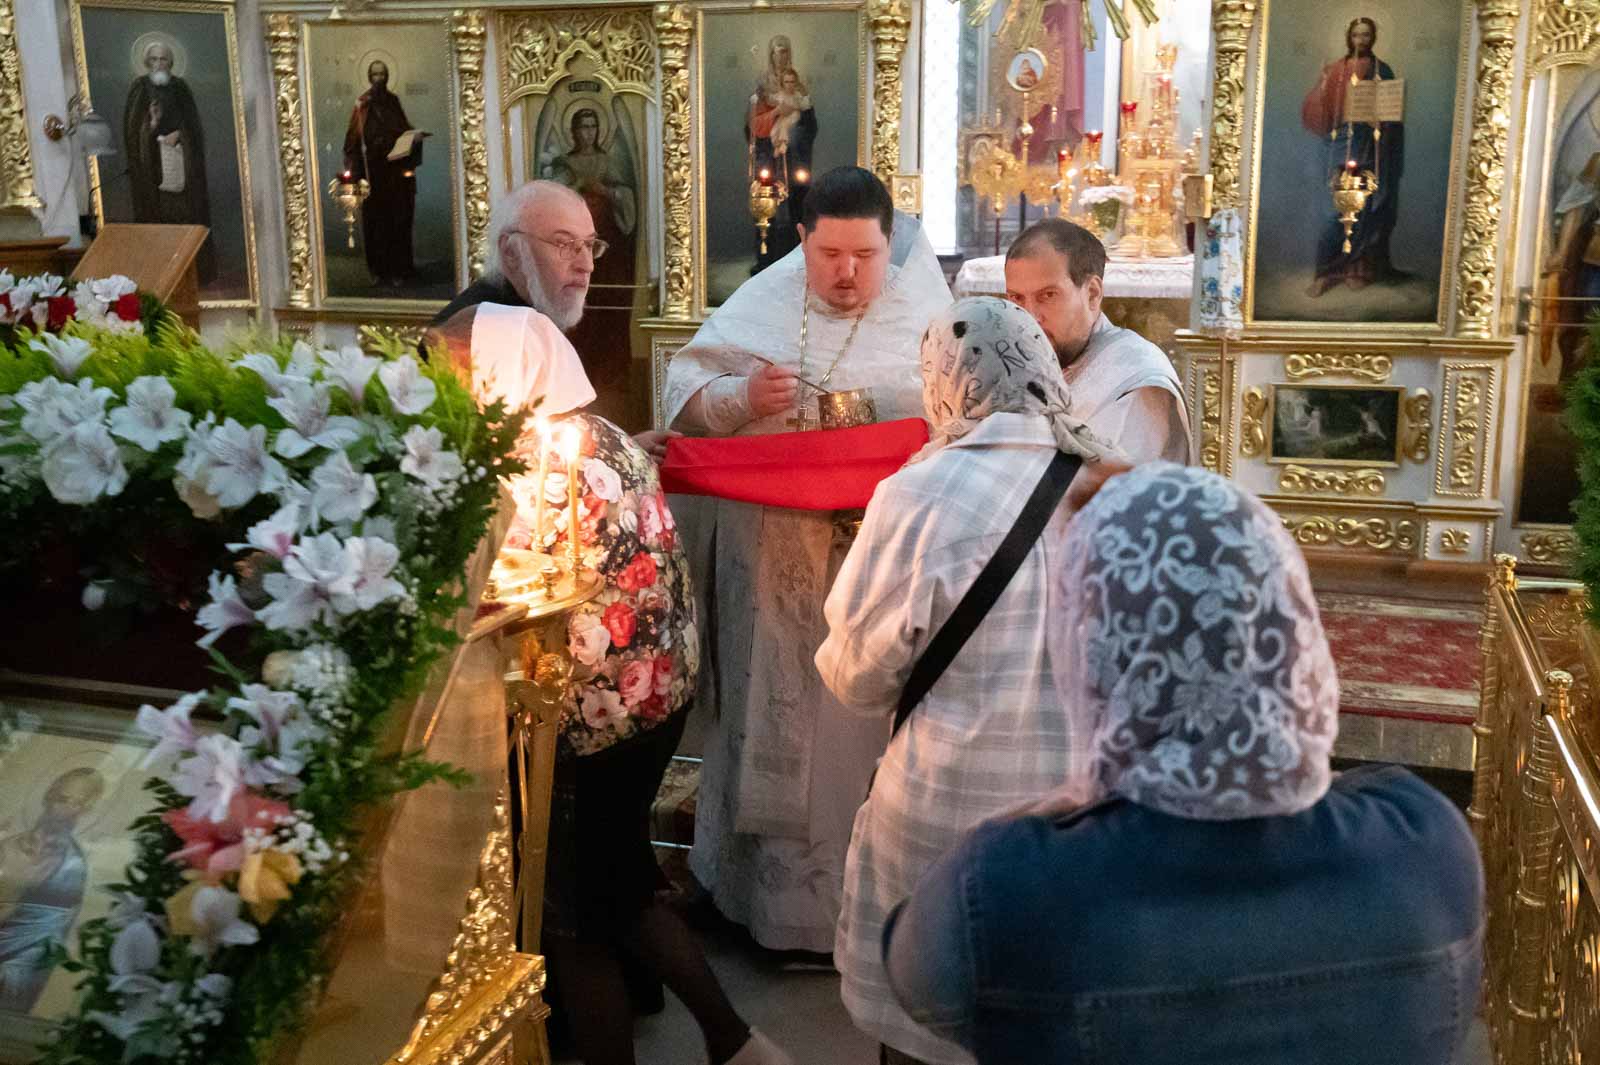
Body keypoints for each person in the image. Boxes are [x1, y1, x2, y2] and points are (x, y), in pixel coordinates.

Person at [881, 464, 1485, 1065]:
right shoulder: (1427, 841)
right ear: (1286, 613)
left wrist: (1054, 814)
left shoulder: (1006, 888)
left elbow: (914, 974)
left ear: (1094, 646)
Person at [816, 297, 1129, 1065]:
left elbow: (858, 677)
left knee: (929, 1027)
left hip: (946, 825)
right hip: (1089, 825)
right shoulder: (1125, 482)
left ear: (945, 382)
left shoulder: (920, 494)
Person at [664, 166, 951, 957]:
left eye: (865, 255)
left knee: (857, 730)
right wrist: (741, 398)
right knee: (772, 714)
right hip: (772, 557)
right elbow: (685, 393)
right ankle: (760, 907)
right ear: (801, 240)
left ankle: (865, 913)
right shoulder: (763, 302)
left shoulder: (928, 312)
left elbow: (964, 420)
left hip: (882, 561)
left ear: (890, 244)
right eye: (829, 255)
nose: (848, 273)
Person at [432, 181, 643, 432]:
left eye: (589, 245)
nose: (587, 265)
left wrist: (628, 447)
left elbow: (560, 441)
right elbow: (503, 450)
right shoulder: (492, 330)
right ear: (511, 251)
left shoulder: (528, 308)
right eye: (564, 244)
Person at [1004, 220, 1191, 463]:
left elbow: (1106, 484)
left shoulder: (1134, 381)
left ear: (1092, 293)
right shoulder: (1017, 359)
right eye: (1016, 298)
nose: (1030, 317)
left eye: (1048, 295)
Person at [543, 107, 641, 421]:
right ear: (573, 131)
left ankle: (610, 375)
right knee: (580, 313)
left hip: (608, 252)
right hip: (572, 253)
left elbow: (626, 200)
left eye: (592, 126)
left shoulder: (608, 162)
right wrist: (576, 188)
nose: (588, 132)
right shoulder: (565, 164)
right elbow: (550, 200)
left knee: (607, 312)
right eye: (582, 127)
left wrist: (607, 192)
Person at [1300, 17, 1404, 297]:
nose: (1361, 40)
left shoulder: (1382, 70)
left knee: (1366, 209)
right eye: (1356, 35)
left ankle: (1357, 270)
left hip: (1371, 148)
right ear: (1349, 37)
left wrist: (1382, 122)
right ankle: (1326, 273)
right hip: (1340, 145)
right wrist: (1322, 88)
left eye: (1366, 35)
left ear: (1373, 38)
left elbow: (1392, 114)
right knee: (1332, 212)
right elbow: (1318, 113)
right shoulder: (1335, 69)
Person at [0, 768, 106, 1013]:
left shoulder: (71, 870)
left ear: (86, 811)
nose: (65, 810)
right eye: (62, 799)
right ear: (48, 797)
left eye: (77, 804)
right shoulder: (7, 844)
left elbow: (46, 940)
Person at [122, 41, 214, 284]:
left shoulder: (180, 87)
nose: (158, 64)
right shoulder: (140, 88)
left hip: (182, 168)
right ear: (146, 63)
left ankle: (191, 273)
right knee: (157, 220)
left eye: (163, 59)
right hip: (152, 171)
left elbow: (194, 127)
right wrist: (151, 125)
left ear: (171, 63)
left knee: (184, 218)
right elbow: (132, 132)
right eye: (153, 59)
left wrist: (180, 135)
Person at [343, 60, 423, 288]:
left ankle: (399, 270)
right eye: (375, 74)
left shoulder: (393, 101)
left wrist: (413, 137)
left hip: (395, 175)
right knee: (376, 224)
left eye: (382, 74)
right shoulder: (362, 105)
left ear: (387, 76)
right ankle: (378, 271)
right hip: (373, 174)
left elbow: (403, 129)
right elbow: (352, 142)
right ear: (370, 77)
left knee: (397, 221)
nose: (379, 78)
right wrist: (356, 175)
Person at [747, 36, 818, 267]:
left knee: (797, 207)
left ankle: (798, 260)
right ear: (771, 55)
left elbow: (810, 125)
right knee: (768, 211)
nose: (781, 56)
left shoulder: (799, 86)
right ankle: (766, 260)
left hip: (795, 160)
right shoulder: (763, 87)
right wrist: (776, 113)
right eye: (777, 52)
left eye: (785, 51)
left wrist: (797, 137)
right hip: (770, 160)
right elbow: (753, 126)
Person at [769, 69, 812, 157]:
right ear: (782, 83)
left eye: (792, 82)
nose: (789, 85)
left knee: (784, 126)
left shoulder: (797, 95)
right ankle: (777, 146)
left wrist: (802, 100)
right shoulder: (781, 94)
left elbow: (805, 105)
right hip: (783, 116)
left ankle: (784, 144)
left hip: (794, 115)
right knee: (774, 131)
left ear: (795, 83)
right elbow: (772, 100)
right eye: (786, 82)